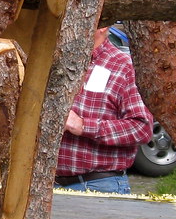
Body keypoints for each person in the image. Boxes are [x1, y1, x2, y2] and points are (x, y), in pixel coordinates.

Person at [55, 25, 154, 194]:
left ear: (103, 26)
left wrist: (83, 126)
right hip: (50, 184)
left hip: (100, 184)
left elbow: (142, 128)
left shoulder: (123, 66)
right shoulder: (56, 59)